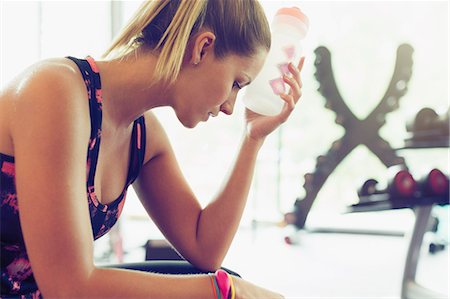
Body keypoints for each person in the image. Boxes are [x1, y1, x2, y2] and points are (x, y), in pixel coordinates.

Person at [0, 0, 304, 298]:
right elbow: (69, 288)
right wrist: (224, 292)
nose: (229, 107)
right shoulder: (55, 91)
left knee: (225, 283)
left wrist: (252, 138)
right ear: (202, 47)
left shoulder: (142, 137)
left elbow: (204, 249)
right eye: (237, 83)